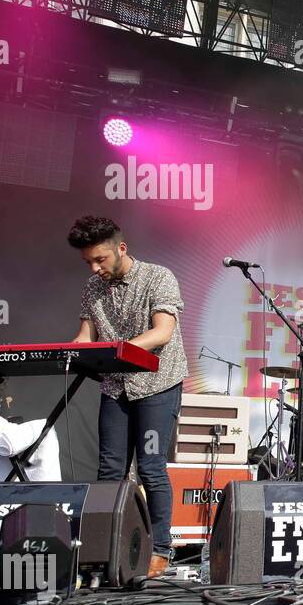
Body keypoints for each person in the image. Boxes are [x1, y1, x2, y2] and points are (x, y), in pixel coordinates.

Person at [69, 216, 188, 578]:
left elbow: (162, 332)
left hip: (157, 386)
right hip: (115, 387)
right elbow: (84, 336)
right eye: (89, 261)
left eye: (100, 259)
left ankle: (161, 550)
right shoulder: (93, 287)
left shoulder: (158, 276)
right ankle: (106, 548)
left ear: (121, 248)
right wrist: (67, 351)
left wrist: (118, 352)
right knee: (109, 472)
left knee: (151, 469)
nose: (95, 267)